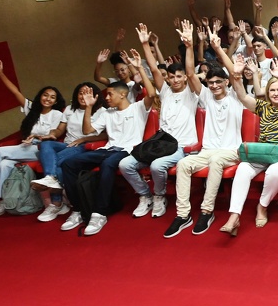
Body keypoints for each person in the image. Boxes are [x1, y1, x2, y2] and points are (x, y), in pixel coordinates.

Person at [60, 49, 155, 236]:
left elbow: (151, 93)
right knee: (68, 164)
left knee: (108, 163)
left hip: (128, 150)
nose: (106, 97)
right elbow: (87, 131)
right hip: (108, 148)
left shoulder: (137, 108)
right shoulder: (107, 113)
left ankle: (99, 213)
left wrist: (139, 69)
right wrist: (88, 107)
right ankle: (79, 209)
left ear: (122, 94)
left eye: (110, 94)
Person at [163, 31, 245, 239]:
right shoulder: (207, 96)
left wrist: (217, 48)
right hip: (207, 150)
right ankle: (183, 215)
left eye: (219, 81)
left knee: (217, 160)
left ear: (225, 82)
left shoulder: (235, 96)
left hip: (231, 151)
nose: (215, 85)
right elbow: (190, 73)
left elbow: (234, 73)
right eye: (211, 83)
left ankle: (207, 212)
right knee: (183, 164)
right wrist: (189, 46)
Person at [118, 23, 200, 220]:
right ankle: (145, 195)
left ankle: (159, 196)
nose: (175, 80)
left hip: (180, 146)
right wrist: (145, 44)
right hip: (160, 143)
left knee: (156, 166)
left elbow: (190, 72)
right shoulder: (165, 92)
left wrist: (189, 46)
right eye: (172, 77)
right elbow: (154, 69)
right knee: (125, 164)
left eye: (179, 76)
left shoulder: (191, 94)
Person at [0, 60, 66, 216]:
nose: (48, 98)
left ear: (56, 101)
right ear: (40, 96)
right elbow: (15, 93)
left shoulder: (57, 114)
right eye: (45, 95)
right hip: (27, 147)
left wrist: (36, 137)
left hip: (42, 149)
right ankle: (4, 200)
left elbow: (54, 134)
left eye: (52, 97)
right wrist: (1, 74)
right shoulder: (32, 110)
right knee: (4, 165)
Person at [220, 54, 278, 235]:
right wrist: (238, 76)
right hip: (264, 152)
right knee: (242, 170)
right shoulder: (262, 107)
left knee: (275, 171)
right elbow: (242, 96)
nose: (276, 93)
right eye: (272, 90)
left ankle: (262, 206)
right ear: (267, 93)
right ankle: (234, 216)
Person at [30, 82, 107, 222]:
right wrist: (51, 134)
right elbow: (60, 130)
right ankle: (51, 179)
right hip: (67, 144)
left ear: (95, 95)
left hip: (85, 146)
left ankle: (56, 203)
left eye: (88, 93)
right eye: (81, 93)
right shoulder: (70, 110)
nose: (84, 96)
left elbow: (106, 135)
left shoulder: (102, 111)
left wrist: (85, 139)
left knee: (57, 164)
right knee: (46, 145)